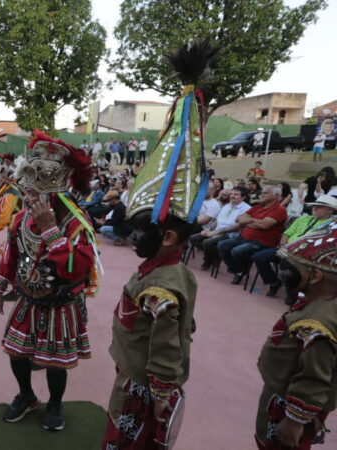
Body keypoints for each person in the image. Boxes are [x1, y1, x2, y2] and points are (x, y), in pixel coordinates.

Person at [101, 46, 209, 445]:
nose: (132, 236)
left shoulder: (162, 285)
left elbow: (164, 348)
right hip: (137, 379)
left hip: (143, 390)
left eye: (141, 229)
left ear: (168, 237)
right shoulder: (168, 271)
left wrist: (162, 394)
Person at [0, 130, 100, 431]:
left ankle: (54, 403)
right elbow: (10, 254)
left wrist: (51, 230)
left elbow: (77, 270)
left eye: (36, 193)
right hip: (27, 299)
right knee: (16, 353)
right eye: (29, 191)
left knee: (55, 363)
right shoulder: (21, 218)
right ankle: (26, 396)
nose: (29, 197)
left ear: (55, 191)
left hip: (60, 304)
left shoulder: (77, 223)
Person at [253, 222, 337, 449]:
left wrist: (295, 421)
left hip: (287, 409)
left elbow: (314, 377)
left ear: (316, 276)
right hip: (282, 398)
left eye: (293, 268)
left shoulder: (317, 322)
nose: (285, 273)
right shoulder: (320, 305)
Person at [253, 195, 337, 301]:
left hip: (305, 256)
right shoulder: (303, 218)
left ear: (330, 210)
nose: (314, 208)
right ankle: (274, 282)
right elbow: (286, 235)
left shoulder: (331, 226)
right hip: (285, 250)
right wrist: (283, 249)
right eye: (314, 206)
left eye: (319, 207)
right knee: (259, 257)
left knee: (288, 268)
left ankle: (292, 292)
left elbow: (320, 245)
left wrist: (288, 254)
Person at [218, 186, 288, 285]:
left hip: (263, 242)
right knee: (222, 245)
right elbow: (238, 219)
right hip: (244, 238)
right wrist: (254, 222)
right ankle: (239, 271)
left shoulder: (279, 210)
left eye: (266, 193)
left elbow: (264, 225)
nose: (262, 194)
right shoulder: (257, 207)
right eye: (262, 192)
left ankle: (243, 271)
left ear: (276, 196)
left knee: (237, 251)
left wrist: (249, 221)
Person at [189, 187, 251, 271]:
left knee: (207, 242)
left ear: (243, 197)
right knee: (194, 238)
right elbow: (217, 221)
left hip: (229, 234)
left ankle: (207, 262)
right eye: (232, 194)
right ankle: (215, 255)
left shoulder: (247, 209)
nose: (232, 196)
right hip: (217, 231)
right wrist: (208, 229)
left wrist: (216, 232)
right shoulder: (227, 206)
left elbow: (237, 227)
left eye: (236, 194)